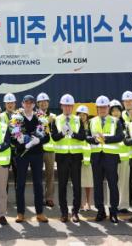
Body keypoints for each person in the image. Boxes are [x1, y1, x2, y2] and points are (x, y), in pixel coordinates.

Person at [87, 95, 124, 224]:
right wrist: (94, 140)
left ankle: (113, 212)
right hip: (96, 157)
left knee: (113, 185)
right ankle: (100, 211)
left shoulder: (116, 121)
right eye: (100, 107)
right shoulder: (92, 121)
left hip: (111, 157)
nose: (102, 109)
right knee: (97, 185)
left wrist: (105, 139)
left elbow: (120, 137)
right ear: (97, 108)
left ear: (108, 108)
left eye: (104, 107)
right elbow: (87, 137)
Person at [13, 95, 49, 223]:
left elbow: (47, 137)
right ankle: (20, 213)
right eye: (26, 102)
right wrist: (20, 142)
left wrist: (39, 140)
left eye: (30, 103)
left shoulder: (41, 118)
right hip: (22, 155)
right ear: (22, 104)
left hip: (37, 155)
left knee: (38, 183)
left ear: (34, 105)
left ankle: (39, 213)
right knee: (20, 184)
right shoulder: (17, 118)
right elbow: (12, 138)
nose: (28, 105)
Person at [51, 94, 87, 223]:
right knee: (62, 185)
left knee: (76, 185)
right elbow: (54, 137)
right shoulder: (56, 120)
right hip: (62, 157)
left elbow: (83, 136)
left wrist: (72, 134)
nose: (67, 108)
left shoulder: (78, 120)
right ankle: (64, 212)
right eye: (65, 106)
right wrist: (62, 133)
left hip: (76, 156)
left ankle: (75, 212)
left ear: (73, 107)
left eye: (70, 106)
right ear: (61, 106)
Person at [36, 92, 56, 208]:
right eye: (41, 102)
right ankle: (39, 197)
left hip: (50, 149)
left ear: (48, 103)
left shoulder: (53, 116)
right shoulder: (35, 116)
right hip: (38, 149)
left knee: (50, 175)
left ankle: (49, 198)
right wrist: (46, 122)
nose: (43, 104)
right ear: (38, 104)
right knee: (38, 175)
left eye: (45, 102)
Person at [120, 90, 132, 212]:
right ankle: (128, 200)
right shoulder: (120, 115)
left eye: (130, 101)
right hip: (125, 152)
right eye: (126, 101)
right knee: (127, 180)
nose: (128, 103)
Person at [0, 93, 19, 190]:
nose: (10, 105)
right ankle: (4, 196)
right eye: (8, 103)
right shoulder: (0, 116)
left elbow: (21, 131)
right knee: (4, 176)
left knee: (18, 174)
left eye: (12, 103)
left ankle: (18, 195)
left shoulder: (19, 116)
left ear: (15, 104)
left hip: (16, 150)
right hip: (5, 149)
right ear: (5, 105)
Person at [77, 106, 93, 213]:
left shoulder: (91, 125)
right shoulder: (75, 125)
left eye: (84, 115)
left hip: (88, 157)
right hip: (77, 156)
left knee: (88, 181)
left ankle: (88, 202)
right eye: (80, 115)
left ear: (87, 116)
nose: (82, 117)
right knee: (77, 181)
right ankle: (80, 203)